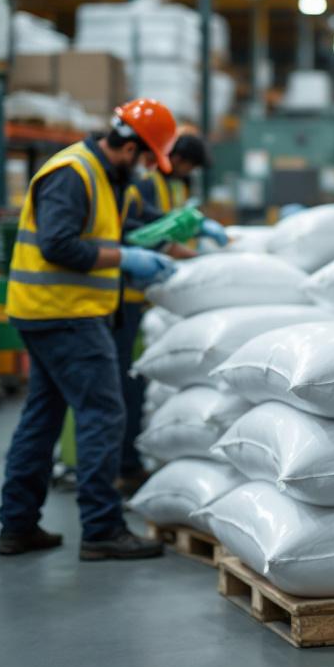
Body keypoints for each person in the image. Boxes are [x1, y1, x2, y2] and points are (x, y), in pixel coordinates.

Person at [0, 98, 178, 560]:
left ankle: (18, 526)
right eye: (143, 159)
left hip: (55, 310)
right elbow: (58, 246)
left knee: (43, 417)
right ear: (130, 146)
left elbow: (108, 233)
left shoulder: (101, 175)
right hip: (64, 313)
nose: (142, 171)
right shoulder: (73, 172)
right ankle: (102, 529)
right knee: (103, 413)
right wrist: (125, 259)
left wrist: (138, 250)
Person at [113, 129, 226, 496]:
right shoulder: (142, 183)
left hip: (155, 295)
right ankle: (124, 466)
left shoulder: (170, 183)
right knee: (126, 385)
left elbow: (163, 222)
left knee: (135, 385)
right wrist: (189, 256)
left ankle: (129, 463)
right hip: (126, 296)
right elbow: (140, 231)